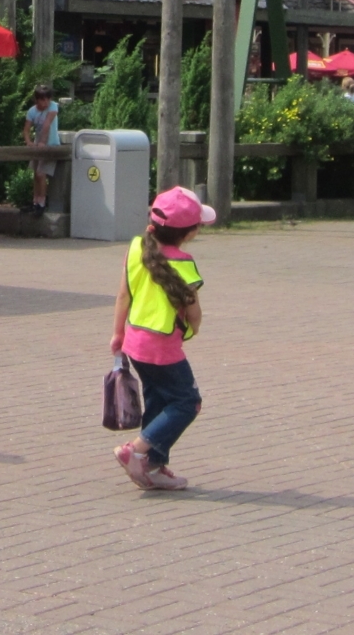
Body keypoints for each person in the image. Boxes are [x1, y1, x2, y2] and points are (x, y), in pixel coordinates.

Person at [109, 186, 213, 492]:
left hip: (134, 342)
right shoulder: (184, 263)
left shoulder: (136, 248)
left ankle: (153, 466)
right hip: (164, 348)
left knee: (157, 399)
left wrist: (117, 334)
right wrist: (193, 329)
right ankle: (135, 450)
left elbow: (123, 295)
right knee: (187, 402)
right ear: (189, 233)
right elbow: (193, 313)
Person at [23, 84, 61, 215]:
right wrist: (29, 142)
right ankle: (35, 201)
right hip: (37, 146)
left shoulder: (53, 106)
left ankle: (42, 202)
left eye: (48, 99)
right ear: (37, 100)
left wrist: (43, 143)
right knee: (36, 175)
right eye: (43, 99)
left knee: (41, 173)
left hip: (51, 145)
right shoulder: (32, 111)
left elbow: (46, 125)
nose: (46, 102)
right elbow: (26, 130)